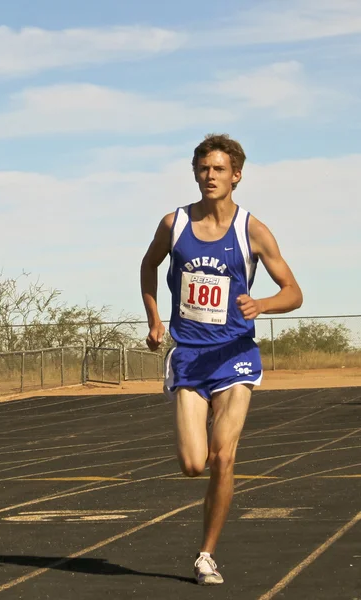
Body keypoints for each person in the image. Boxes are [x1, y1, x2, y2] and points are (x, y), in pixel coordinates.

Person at [140, 133, 303, 586]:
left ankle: (206, 555)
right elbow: (147, 266)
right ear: (195, 173)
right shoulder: (174, 224)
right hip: (190, 356)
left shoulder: (251, 229)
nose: (209, 176)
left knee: (223, 455)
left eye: (218, 169)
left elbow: (294, 292)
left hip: (235, 356)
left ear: (236, 176)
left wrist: (262, 305)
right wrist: (155, 319)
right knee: (194, 464)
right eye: (202, 169)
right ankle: (205, 440)